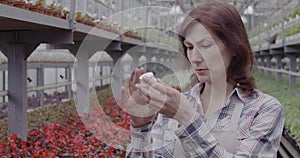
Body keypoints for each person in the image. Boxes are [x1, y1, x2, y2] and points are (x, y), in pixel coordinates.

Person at [121, 2, 284, 157]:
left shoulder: (264, 109)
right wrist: (140, 128)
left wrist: (187, 119)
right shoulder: (173, 105)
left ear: (234, 47)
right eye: (190, 47)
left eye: (205, 45)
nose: (195, 58)